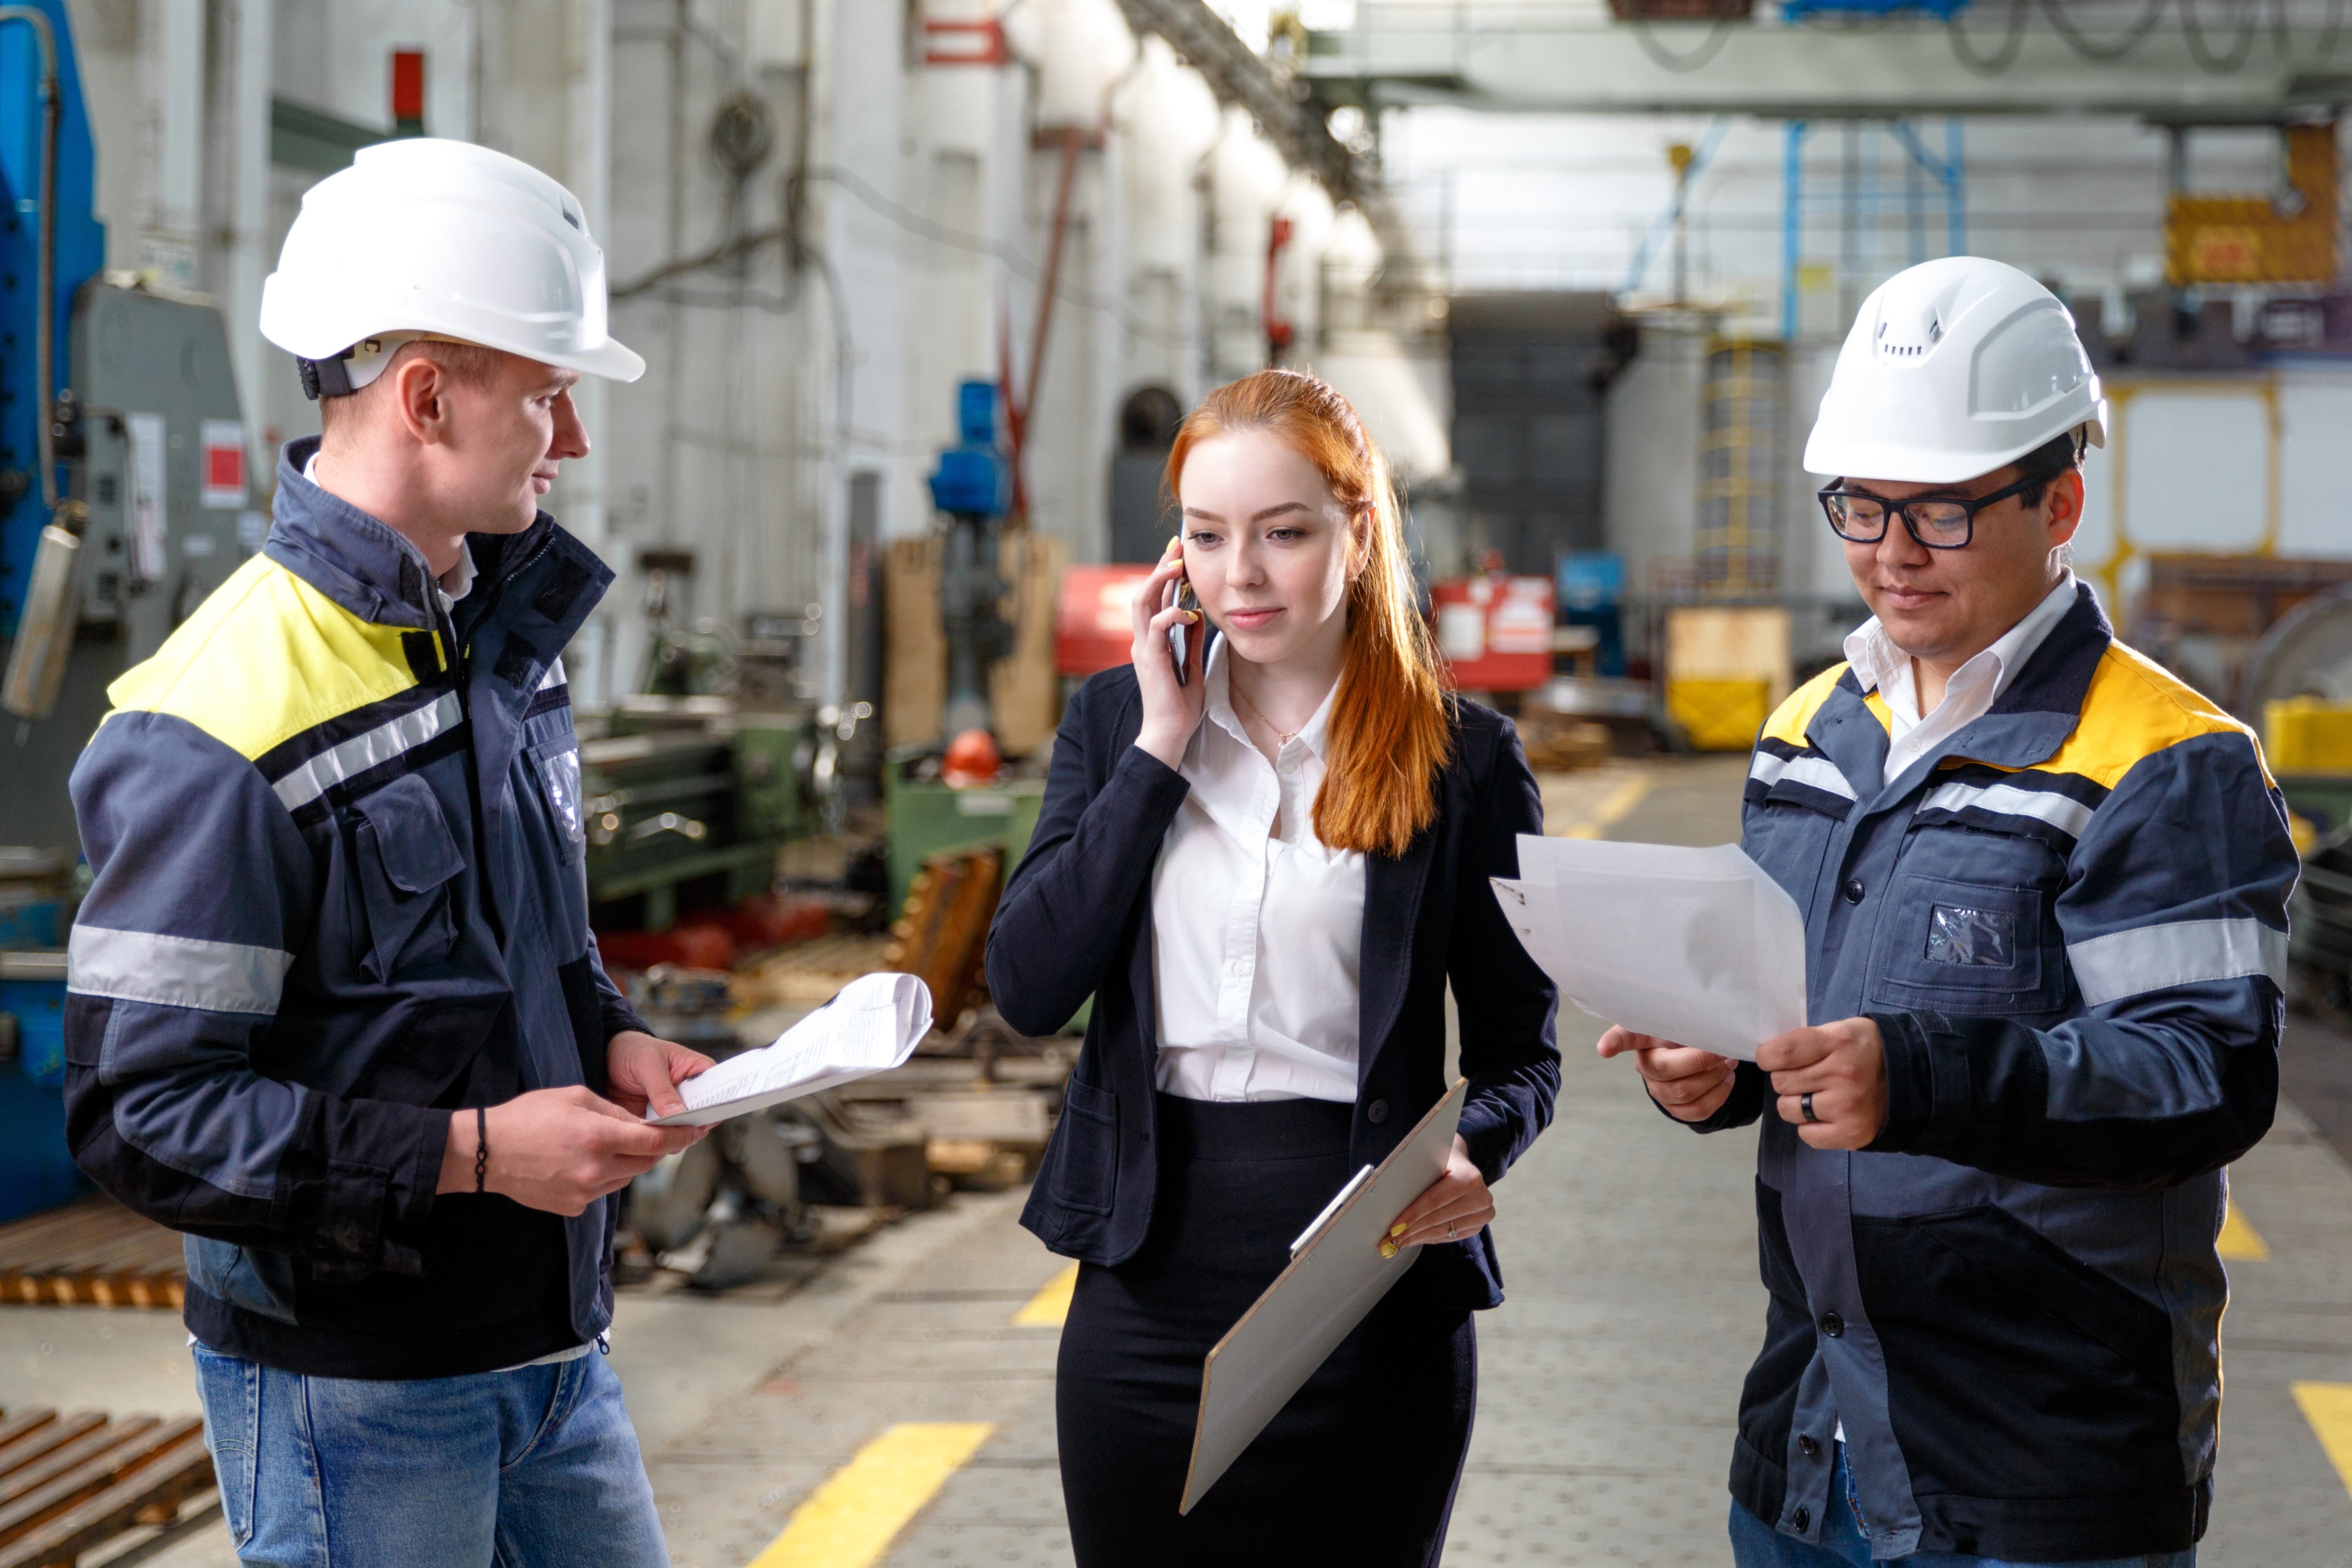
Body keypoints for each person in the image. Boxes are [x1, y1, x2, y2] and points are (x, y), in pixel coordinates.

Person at [63, 139, 709, 1567]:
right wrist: (477, 1156)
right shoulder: (215, 717)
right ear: (428, 395)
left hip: (552, 1355)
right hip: (350, 1394)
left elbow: (528, 955)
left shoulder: (499, 658)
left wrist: (612, 1036)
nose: (572, 440)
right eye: (549, 394)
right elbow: (142, 1114)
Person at [1599, 257, 2299, 1568]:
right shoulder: (1809, 732)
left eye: (1943, 511)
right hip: (1811, 1447)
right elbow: (1790, 1022)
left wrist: (1911, 1078)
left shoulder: (2162, 760)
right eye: (1860, 507)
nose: (1892, 553)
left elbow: (2206, 1075)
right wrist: (1718, 1072)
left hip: (2032, 1473)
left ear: (2061, 502)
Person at [987, 368, 1561, 1567]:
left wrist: (1477, 1149)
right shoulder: (1113, 724)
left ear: (1360, 531)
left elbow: (1521, 1049)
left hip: (1368, 1271)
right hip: (1145, 1270)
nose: (1237, 575)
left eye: (1283, 533)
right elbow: (1031, 988)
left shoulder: (1466, 760)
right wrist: (1158, 747)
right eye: (1205, 535)